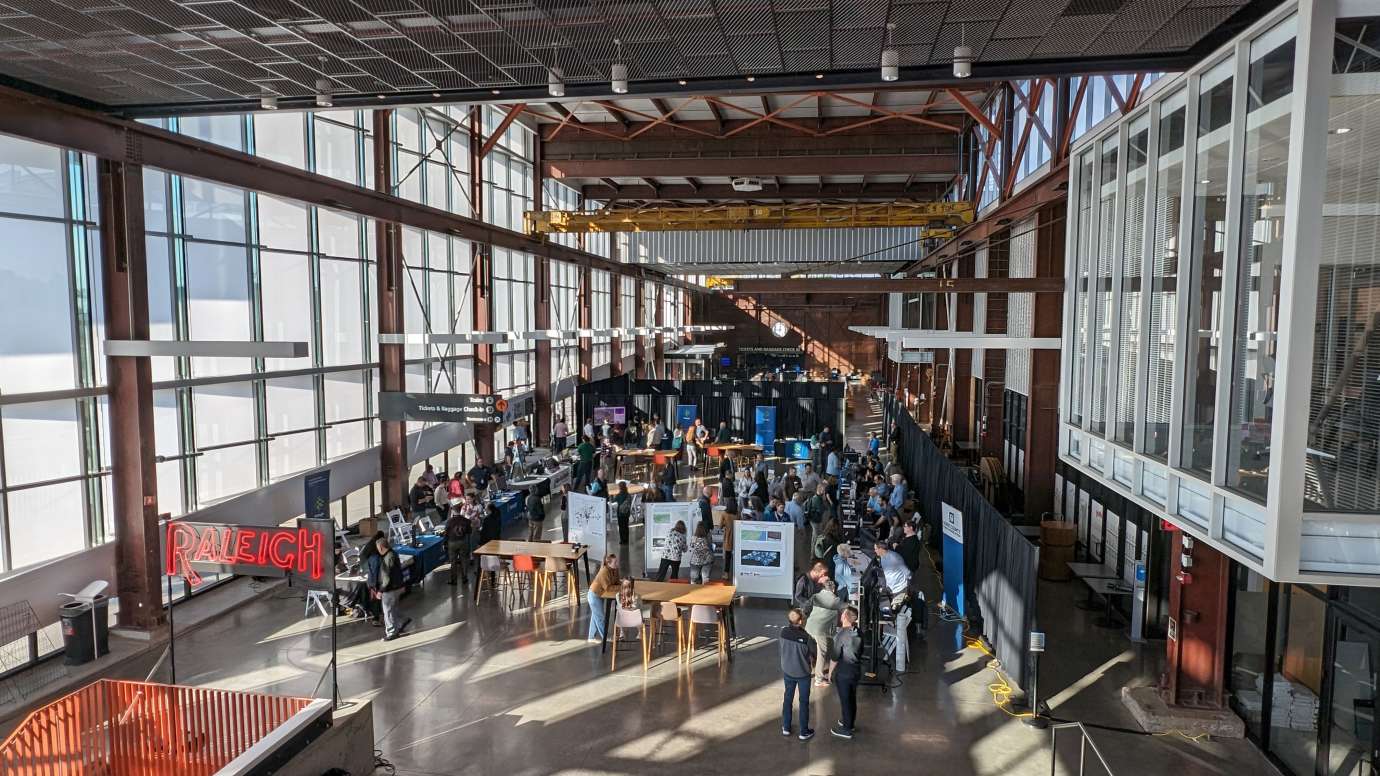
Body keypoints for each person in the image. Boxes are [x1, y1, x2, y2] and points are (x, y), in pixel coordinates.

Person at [801, 562, 846, 687]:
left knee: (813, 650)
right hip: (821, 631)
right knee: (822, 653)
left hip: (809, 628)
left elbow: (806, 608)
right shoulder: (835, 600)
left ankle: (808, 670)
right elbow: (848, 609)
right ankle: (819, 679)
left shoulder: (816, 596)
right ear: (833, 589)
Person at [779, 608, 816, 741]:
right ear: (800, 621)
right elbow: (813, 654)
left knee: (788, 698)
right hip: (803, 674)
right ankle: (804, 731)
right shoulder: (806, 637)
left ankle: (786, 727)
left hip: (787, 671)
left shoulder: (783, 632)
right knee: (804, 701)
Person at [367, 535, 409, 641]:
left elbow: (386, 577)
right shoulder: (393, 553)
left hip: (390, 589)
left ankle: (391, 632)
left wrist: (381, 590)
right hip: (398, 586)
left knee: (388, 611)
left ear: (381, 547)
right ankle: (402, 620)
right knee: (393, 607)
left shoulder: (387, 557)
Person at [829, 607, 862, 739]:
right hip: (855, 670)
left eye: (843, 613)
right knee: (851, 697)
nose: (841, 614)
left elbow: (835, 657)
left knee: (845, 700)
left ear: (845, 617)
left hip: (844, 672)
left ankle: (846, 729)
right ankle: (849, 722)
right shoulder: (858, 632)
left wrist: (829, 673)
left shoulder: (841, 635)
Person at [587, 554, 620, 642]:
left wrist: (622, 583)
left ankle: (591, 637)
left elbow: (616, 582)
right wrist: (622, 587)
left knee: (596, 615)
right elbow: (608, 588)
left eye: (617, 561)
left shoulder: (615, 569)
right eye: (615, 562)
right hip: (594, 595)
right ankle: (605, 637)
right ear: (608, 563)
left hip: (601, 594)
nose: (617, 563)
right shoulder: (604, 572)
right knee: (600, 617)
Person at [445, 504, 472, 586]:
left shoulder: (449, 521)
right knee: (464, 560)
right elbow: (469, 532)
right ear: (460, 510)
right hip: (463, 542)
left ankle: (454, 580)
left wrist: (445, 542)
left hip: (452, 542)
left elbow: (446, 533)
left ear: (453, 511)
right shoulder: (466, 520)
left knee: (453, 562)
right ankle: (464, 578)